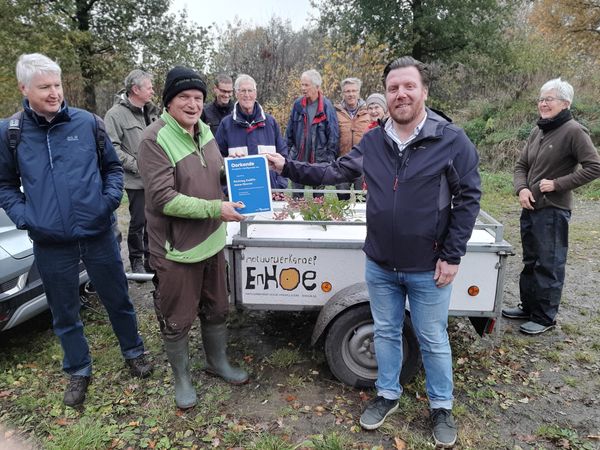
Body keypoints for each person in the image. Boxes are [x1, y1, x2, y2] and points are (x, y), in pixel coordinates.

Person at [267, 56, 481, 448]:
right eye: (393, 88)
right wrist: (288, 167)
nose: (401, 94)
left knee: (432, 338)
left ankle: (441, 407)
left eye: (409, 86)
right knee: (385, 332)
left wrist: (452, 255)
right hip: (381, 263)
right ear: (385, 94)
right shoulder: (375, 140)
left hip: (428, 265)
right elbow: (334, 172)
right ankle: (387, 394)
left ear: (424, 91)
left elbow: (468, 198)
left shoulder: (451, 139)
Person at [0, 53, 153, 407]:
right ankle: (78, 368)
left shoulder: (88, 123)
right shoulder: (11, 133)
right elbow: (5, 185)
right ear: (24, 89)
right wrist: (27, 218)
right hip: (51, 242)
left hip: (97, 233)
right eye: (44, 87)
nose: (54, 93)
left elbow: (113, 169)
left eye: (57, 85)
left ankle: (134, 351)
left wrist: (107, 203)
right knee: (64, 310)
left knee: (118, 298)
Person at [137, 66, 249, 410]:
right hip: (177, 249)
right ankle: (182, 378)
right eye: (184, 97)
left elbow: (210, 171)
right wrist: (216, 208)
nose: (193, 104)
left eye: (198, 97)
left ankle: (217, 362)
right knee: (178, 317)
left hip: (212, 241)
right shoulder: (154, 139)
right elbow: (163, 199)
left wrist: (241, 172)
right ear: (168, 101)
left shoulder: (205, 130)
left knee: (217, 308)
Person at [502, 78, 600, 335]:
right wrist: (522, 189)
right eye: (541, 99)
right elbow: (521, 166)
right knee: (531, 260)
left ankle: (545, 318)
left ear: (565, 103)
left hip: (554, 209)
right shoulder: (538, 130)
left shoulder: (574, 131)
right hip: (530, 206)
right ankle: (529, 307)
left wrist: (558, 184)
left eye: (549, 99)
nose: (543, 104)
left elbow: (594, 167)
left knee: (549, 263)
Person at [104, 69, 159, 274]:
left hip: (156, 177)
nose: (152, 90)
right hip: (135, 179)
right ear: (135, 89)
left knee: (155, 219)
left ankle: (152, 259)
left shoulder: (153, 112)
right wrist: (138, 165)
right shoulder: (114, 115)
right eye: (149, 87)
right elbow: (112, 148)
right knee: (139, 221)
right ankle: (136, 260)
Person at [215, 74, 288, 190]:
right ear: (236, 94)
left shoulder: (271, 122)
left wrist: (280, 185)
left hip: (271, 192)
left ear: (256, 94)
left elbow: (284, 157)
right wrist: (227, 190)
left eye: (250, 91)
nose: (247, 95)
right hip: (239, 193)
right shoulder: (226, 125)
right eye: (243, 91)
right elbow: (217, 162)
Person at [285, 69, 339, 198]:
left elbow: (333, 135)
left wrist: (329, 158)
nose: (303, 88)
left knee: (318, 200)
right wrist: (286, 153)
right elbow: (289, 131)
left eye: (306, 85)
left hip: (319, 160)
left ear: (317, 87)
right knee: (296, 199)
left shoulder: (326, 106)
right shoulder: (298, 105)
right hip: (298, 158)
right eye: (302, 84)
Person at [334, 77, 370, 200]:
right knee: (342, 200)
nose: (351, 94)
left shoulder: (368, 111)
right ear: (343, 93)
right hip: (342, 163)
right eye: (347, 91)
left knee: (363, 199)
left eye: (354, 91)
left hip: (363, 164)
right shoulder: (335, 112)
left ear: (359, 92)